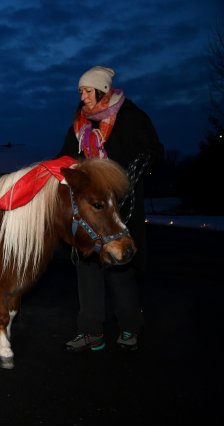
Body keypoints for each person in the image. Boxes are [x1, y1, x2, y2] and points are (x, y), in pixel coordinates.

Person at [58, 66, 164, 352]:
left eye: (86, 90)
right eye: (80, 91)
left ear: (102, 90)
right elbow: (66, 157)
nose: (82, 96)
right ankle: (90, 330)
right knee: (87, 265)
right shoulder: (80, 124)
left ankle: (129, 326)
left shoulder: (129, 117)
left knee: (119, 266)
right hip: (90, 209)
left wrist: (129, 172)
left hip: (120, 205)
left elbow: (154, 151)